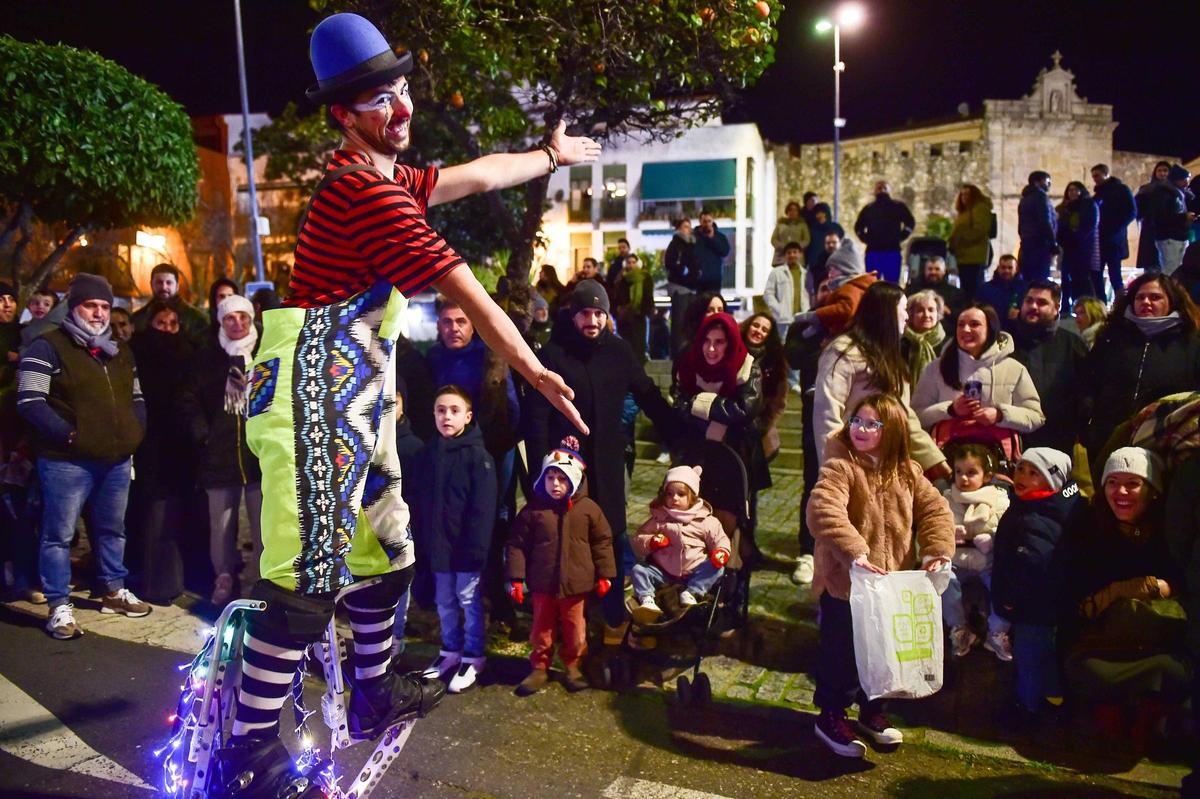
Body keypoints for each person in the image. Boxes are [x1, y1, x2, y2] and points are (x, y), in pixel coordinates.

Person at [215, 13, 598, 791]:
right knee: (304, 581)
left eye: (401, 90)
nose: (401, 109)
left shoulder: (390, 178)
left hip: (355, 394)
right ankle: (246, 754)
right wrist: (534, 370)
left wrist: (550, 156)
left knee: (388, 551)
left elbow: (477, 175)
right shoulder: (364, 193)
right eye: (379, 99)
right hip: (311, 398)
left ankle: (372, 689)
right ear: (343, 116)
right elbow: (468, 290)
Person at [525, 279, 678, 640]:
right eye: (585, 313)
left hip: (608, 461)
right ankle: (570, 620)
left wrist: (678, 429)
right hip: (568, 466)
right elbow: (537, 414)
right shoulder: (554, 354)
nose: (592, 321)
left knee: (611, 536)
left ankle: (612, 616)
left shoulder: (619, 352)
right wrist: (539, 469)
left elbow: (647, 394)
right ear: (572, 315)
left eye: (598, 313)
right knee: (569, 540)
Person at [806, 393, 954, 758]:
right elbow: (823, 510)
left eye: (872, 423)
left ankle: (872, 711)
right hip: (846, 584)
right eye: (857, 420)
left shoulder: (907, 471)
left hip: (889, 584)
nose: (861, 429)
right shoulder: (840, 467)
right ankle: (831, 715)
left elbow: (936, 510)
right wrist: (855, 552)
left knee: (885, 650)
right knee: (843, 651)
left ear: (892, 431)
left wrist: (936, 550)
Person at [16, 274, 151, 639]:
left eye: (105, 306)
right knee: (58, 535)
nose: (99, 313)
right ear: (73, 307)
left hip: (115, 459)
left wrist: (134, 432)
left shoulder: (118, 351)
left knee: (112, 530)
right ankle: (59, 605)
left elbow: (137, 397)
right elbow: (29, 401)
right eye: (91, 305)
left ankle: (113, 590)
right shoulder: (47, 346)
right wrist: (69, 434)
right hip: (65, 460)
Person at [1060, 447, 1189, 746]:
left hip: (1153, 640)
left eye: (1133, 483)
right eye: (1113, 482)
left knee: (1175, 671)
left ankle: (1148, 717)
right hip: (1105, 642)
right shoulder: (1089, 529)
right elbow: (1078, 599)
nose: (1121, 492)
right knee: (1088, 671)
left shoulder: (1169, 532)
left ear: (1152, 490)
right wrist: (1115, 593)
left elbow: (1182, 581)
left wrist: (1152, 587)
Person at [812, 281, 949, 478]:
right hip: (852, 462)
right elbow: (827, 414)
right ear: (887, 312)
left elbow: (902, 413)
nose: (907, 316)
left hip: (885, 465)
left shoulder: (889, 355)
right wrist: (836, 470)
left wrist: (934, 461)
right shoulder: (844, 352)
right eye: (904, 309)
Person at [506, 448, 615, 695]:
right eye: (550, 477)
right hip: (543, 584)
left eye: (562, 478)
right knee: (541, 629)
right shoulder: (533, 511)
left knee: (575, 629)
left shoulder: (589, 509)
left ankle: (573, 666)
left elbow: (602, 542)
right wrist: (516, 578)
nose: (555, 484)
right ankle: (539, 667)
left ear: (574, 479)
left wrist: (605, 574)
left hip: (576, 585)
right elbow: (517, 544)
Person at [179, 295, 263, 606]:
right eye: (230, 318)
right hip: (219, 453)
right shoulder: (208, 356)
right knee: (222, 525)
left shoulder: (264, 351)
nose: (237, 323)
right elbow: (188, 398)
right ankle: (224, 577)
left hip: (257, 452)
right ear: (220, 321)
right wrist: (204, 434)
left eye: (243, 317)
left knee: (263, 524)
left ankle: (261, 581)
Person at [413, 386, 497, 694]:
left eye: (454, 410)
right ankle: (450, 650)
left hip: (465, 551)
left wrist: (476, 550)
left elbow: (483, 510)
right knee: (444, 601)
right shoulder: (429, 455)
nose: (446, 416)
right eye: (441, 410)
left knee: (468, 601)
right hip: (439, 549)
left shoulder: (478, 457)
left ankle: (473, 656)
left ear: (468, 416)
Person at [991, 447, 1085, 718]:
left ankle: (1027, 706)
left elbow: (1029, 566)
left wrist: (1010, 599)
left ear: (1052, 482)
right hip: (1044, 605)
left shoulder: (1035, 518)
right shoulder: (1043, 506)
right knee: (1043, 652)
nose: (1022, 476)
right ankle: (1054, 696)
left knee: (1029, 655)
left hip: (1032, 607)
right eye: (1021, 468)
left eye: (1034, 473)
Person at [1082, 273, 1200, 474]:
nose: (1146, 302)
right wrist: (1087, 421)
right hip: (1107, 439)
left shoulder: (1191, 343)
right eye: (1140, 297)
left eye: (1155, 297)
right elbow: (1088, 382)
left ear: (1171, 301)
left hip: (1163, 442)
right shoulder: (1111, 338)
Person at [671, 312, 767, 550]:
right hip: (696, 454)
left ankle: (732, 568)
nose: (711, 349)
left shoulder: (747, 367)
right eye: (706, 341)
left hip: (733, 457)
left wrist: (701, 404)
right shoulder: (689, 364)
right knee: (692, 517)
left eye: (719, 342)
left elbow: (744, 410)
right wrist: (717, 409)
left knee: (729, 524)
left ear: (730, 343)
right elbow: (679, 406)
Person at [129, 300, 195, 605]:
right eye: (161, 324)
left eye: (173, 324)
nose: (167, 330)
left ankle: (179, 579)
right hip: (151, 445)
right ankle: (155, 583)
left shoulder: (189, 353)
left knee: (179, 515)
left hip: (183, 447)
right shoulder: (139, 353)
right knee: (154, 514)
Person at [912, 304, 1045, 453]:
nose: (966, 330)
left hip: (998, 457)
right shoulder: (936, 368)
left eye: (974, 324)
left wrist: (1000, 415)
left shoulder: (1013, 369)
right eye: (961, 325)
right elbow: (916, 416)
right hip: (948, 458)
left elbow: (1035, 417)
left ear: (990, 329)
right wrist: (950, 409)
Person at [630, 464, 730, 622]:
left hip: (694, 571)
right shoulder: (659, 519)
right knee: (638, 570)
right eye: (669, 494)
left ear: (693, 497)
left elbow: (720, 539)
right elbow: (638, 539)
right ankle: (647, 599)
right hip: (663, 572)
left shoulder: (705, 521)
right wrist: (651, 541)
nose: (674, 498)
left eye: (681, 494)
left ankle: (693, 592)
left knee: (717, 568)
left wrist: (721, 551)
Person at [941, 443, 1011, 658]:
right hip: (957, 560)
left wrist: (993, 538)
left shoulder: (999, 498)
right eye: (959, 471)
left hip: (986, 561)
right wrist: (949, 534)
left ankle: (997, 632)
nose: (963, 478)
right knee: (943, 577)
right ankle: (959, 629)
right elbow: (936, 527)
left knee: (1005, 584)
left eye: (971, 472)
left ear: (987, 476)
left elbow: (1007, 528)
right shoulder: (946, 498)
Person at [1009, 280, 1088, 454]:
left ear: (1056, 308)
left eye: (1042, 302)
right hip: (1012, 437)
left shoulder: (1072, 344)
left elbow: (1086, 392)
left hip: (1057, 440)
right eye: (1029, 301)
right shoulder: (1005, 341)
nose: (1033, 306)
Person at [792, 239, 877, 342]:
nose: (829, 274)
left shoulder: (850, 288)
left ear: (846, 268)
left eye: (832, 269)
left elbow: (845, 310)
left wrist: (816, 315)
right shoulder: (851, 287)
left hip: (846, 337)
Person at [741, 314, 788, 458]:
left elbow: (778, 399)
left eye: (764, 329)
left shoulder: (775, 361)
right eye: (756, 325)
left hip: (758, 432)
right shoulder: (731, 349)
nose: (758, 331)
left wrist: (762, 425)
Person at [852, 180, 915, 283]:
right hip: (873, 252)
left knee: (892, 285)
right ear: (874, 191)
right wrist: (867, 239)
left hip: (892, 251)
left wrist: (901, 236)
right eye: (879, 188)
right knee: (872, 283)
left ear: (889, 190)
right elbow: (858, 227)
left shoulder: (898, 206)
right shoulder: (868, 209)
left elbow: (910, 222)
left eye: (885, 188)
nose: (882, 190)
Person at [130, 263, 208, 344]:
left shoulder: (196, 318)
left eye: (169, 283)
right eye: (159, 282)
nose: (164, 287)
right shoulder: (138, 318)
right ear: (151, 285)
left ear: (177, 286)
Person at [1091, 163, 1136, 300]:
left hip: (1113, 241)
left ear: (1106, 174)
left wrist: (1116, 229)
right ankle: (1101, 303)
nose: (1095, 179)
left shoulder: (1121, 190)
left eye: (1097, 175)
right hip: (1099, 242)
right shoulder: (1098, 195)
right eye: (1093, 176)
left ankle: (1121, 303)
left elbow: (1131, 211)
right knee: (1096, 274)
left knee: (1115, 274)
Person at [1056, 181, 1100, 307]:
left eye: (1075, 189)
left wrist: (1075, 237)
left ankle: (1086, 306)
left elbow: (1088, 227)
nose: (1073, 193)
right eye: (1070, 190)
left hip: (1082, 248)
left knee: (1082, 279)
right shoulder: (1065, 208)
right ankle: (1069, 307)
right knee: (1067, 279)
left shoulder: (1088, 205)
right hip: (1067, 248)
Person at [948, 184, 994, 299]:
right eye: (962, 194)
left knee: (973, 289)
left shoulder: (980, 208)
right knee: (966, 289)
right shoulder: (964, 212)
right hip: (963, 257)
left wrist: (961, 241)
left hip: (974, 257)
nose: (964, 197)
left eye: (967, 194)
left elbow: (980, 230)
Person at [663, 218, 699, 354]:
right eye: (685, 226)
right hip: (679, 286)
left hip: (692, 287)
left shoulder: (693, 244)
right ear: (679, 229)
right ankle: (677, 352)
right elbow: (669, 262)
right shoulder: (675, 244)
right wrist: (683, 270)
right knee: (679, 320)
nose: (688, 229)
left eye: (689, 226)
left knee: (690, 321)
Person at [900, 290, 948, 390]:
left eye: (931, 310)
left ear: (938, 313)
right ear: (911, 314)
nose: (926, 315)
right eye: (920, 310)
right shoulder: (900, 344)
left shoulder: (949, 344)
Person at [613, 252, 655, 364]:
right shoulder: (621, 278)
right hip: (625, 316)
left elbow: (648, 296)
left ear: (638, 264)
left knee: (639, 344)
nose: (631, 265)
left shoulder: (645, 277)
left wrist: (646, 310)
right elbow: (617, 295)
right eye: (629, 262)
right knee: (628, 343)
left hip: (639, 314)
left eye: (633, 262)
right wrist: (619, 309)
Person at [905, 255, 964, 334]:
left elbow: (961, 316)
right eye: (930, 269)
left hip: (946, 333)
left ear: (944, 271)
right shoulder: (912, 289)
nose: (933, 272)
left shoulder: (955, 292)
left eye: (937, 269)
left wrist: (948, 311)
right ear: (925, 270)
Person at [1017, 171, 1058, 282]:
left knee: (1028, 277)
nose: (1049, 184)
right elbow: (1045, 220)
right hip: (1040, 243)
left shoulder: (1024, 199)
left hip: (1027, 242)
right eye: (1047, 181)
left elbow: (1020, 225)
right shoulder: (1040, 197)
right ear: (1037, 182)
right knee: (1040, 278)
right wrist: (1053, 243)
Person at [1135, 161, 1172, 272]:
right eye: (1159, 170)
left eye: (1165, 170)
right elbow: (1137, 209)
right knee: (1151, 264)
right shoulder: (1146, 189)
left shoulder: (1174, 190)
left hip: (1169, 231)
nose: (1162, 173)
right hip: (1150, 230)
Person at [975, 254, 1026, 334]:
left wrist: (1019, 314)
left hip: (1017, 332)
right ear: (998, 268)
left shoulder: (1025, 289)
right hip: (991, 330)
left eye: (1010, 268)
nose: (1006, 271)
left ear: (1016, 269)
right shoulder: (985, 289)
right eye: (1003, 267)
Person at [763, 241, 805, 339]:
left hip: (802, 319)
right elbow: (768, 294)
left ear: (800, 254)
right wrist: (779, 310)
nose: (792, 255)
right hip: (783, 320)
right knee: (783, 344)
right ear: (785, 256)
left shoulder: (806, 274)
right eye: (789, 253)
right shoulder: (776, 273)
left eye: (795, 252)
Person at [804, 203, 844, 283]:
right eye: (816, 213)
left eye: (820, 212)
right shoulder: (812, 229)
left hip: (834, 262)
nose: (817, 215)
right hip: (816, 264)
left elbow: (841, 243)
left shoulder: (836, 227)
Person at [694, 210, 731, 293]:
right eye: (704, 221)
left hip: (715, 279)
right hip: (699, 279)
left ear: (712, 221)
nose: (707, 224)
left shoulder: (720, 237)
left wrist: (712, 238)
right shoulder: (694, 237)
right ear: (700, 221)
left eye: (709, 221)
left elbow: (725, 251)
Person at [805, 230, 843, 308]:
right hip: (822, 301)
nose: (831, 245)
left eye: (834, 242)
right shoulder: (817, 263)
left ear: (840, 243)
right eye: (828, 243)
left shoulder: (847, 261)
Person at [770, 201, 811, 266]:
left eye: (795, 210)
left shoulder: (802, 225)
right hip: (781, 258)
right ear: (787, 211)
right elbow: (773, 239)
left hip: (797, 258)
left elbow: (807, 240)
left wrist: (795, 247)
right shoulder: (780, 224)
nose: (793, 212)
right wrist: (783, 246)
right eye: (790, 210)